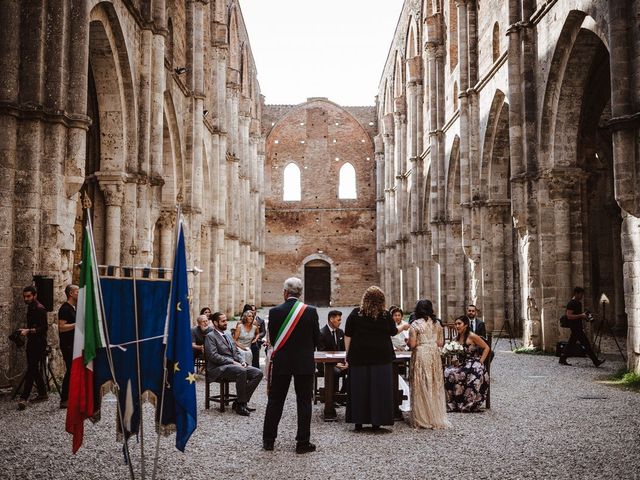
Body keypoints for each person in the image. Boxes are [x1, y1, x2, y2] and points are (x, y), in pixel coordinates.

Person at [263, 277, 320, 454]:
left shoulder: (274, 312)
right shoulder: (311, 311)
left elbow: (272, 339)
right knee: (304, 402)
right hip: (304, 363)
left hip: (282, 362)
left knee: (275, 401)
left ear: (285, 292)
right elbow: (316, 339)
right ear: (300, 293)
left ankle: (269, 440)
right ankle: (302, 443)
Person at [345, 286, 400, 431]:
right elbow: (393, 332)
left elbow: (348, 334)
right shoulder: (385, 315)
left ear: (365, 299)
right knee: (380, 388)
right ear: (382, 300)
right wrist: (404, 326)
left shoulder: (356, 313)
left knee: (359, 388)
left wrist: (347, 353)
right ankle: (377, 420)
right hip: (381, 356)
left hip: (359, 355)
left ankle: (358, 420)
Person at [204, 312, 263, 416]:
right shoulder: (210, 336)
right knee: (241, 371)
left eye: (226, 320)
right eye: (223, 321)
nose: (226, 323)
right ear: (215, 323)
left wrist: (242, 361)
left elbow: (236, 351)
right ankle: (241, 405)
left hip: (234, 365)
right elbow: (213, 356)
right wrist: (232, 362)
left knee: (258, 373)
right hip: (218, 368)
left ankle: (239, 402)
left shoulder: (227, 335)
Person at [407, 300, 450, 429]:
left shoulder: (414, 325)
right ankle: (434, 417)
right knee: (434, 384)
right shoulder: (437, 324)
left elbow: (413, 344)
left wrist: (408, 342)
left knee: (421, 384)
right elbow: (441, 343)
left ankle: (422, 418)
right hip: (434, 354)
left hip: (421, 354)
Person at [444, 316, 491, 412]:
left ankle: (468, 403)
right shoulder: (455, 338)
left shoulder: (472, 336)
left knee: (473, 375)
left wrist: (481, 361)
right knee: (448, 372)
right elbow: (455, 355)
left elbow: (486, 348)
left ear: (465, 325)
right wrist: (454, 359)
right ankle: (453, 403)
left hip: (474, 363)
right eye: (455, 324)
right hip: (462, 364)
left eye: (459, 324)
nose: (457, 326)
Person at [17, 285, 49, 410]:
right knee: (33, 368)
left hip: (39, 343)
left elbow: (44, 328)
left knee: (31, 369)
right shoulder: (31, 307)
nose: (26, 299)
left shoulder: (40, 308)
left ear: (35, 295)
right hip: (33, 341)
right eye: (25, 297)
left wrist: (29, 331)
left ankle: (24, 398)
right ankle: (43, 393)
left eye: (29, 296)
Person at [559, 287, 605, 367]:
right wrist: (581, 315)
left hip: (577, 327)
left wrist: (585, 316)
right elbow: (569, 316)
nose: (582, 296)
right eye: (581, 294)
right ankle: (596, 361)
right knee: (586, 345)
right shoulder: (572, 303)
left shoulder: (578, 303)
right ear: (576, 293)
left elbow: (577, 315)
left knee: (571, 344)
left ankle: (562, 358)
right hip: (575, 328)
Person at [317, 310, 348, 398]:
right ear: (331, 319)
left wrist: (345, 362)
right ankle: (331, 396)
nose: (340, 322)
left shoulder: (340, 332)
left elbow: (344, 350)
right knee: (335, 371)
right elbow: (321, 353)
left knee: (353, 369)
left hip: (339, 363)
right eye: (338, 320)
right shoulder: (321, 333)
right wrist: (335, 363)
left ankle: (342, 393)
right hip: (325, 364)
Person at [58, 284, 78, 409]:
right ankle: (64, 399)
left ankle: (69, 397)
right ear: (70, 293)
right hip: (67, 345)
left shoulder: (73, 308)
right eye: (77, 291)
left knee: (72, 370)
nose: (79, 293)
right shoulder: (65, 309)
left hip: (72, 344)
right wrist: (77, 324)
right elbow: (61, 327)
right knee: (70, 370)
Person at [243, 304, 266, 369]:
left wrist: (256, 338)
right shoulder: (242, 321)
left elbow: (263, 332)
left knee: (254, 358)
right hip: (245, 342)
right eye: (251, 310)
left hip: (255, 342)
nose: (252, 312)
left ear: (256, 311)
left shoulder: (259, 321)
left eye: (253, 310)